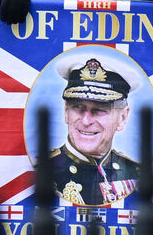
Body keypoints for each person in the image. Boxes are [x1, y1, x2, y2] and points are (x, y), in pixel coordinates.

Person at [44, 59, 141, 212]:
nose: (86, 121)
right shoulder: (40, 172)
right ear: (66, 112)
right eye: (78, 107)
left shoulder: (135, 174)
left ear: (122, 118)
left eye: (99, 110)